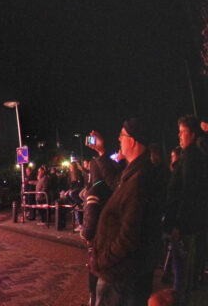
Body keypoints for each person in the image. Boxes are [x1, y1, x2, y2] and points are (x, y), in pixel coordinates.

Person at [90, 118, 160, 305]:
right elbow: (115, 182)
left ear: (132, 140)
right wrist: (102, 152)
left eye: (122, 136)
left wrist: (102, 261)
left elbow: (129, 237)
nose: (119, 139)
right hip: (124, 272)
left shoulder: (140, 179)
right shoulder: (135, 171)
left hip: (120, 275)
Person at [164, 115, 208, 305]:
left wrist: (177, 224)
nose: (179, 136)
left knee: (181, 277)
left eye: (182, 132)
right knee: (184, 275)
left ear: (192, 134)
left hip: (184, 227)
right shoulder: (191, 156)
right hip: (190, 225)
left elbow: (187, 194)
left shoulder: (191, 158)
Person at [82, 135, 117, 306]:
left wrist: (86, 233)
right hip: (110, 237)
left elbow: (91, 217)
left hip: (97, 239)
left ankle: (93, 301)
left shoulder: (94, 191)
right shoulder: (112, 187)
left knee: (95, 277)